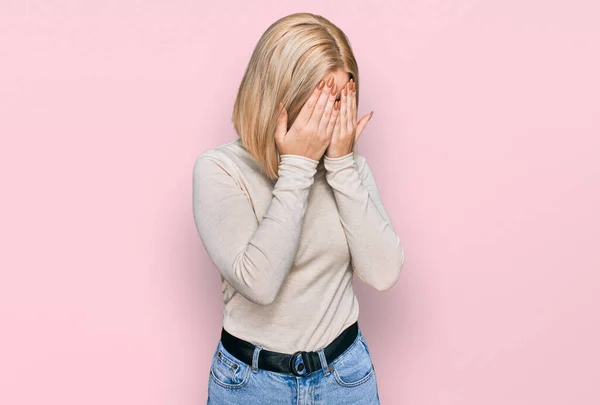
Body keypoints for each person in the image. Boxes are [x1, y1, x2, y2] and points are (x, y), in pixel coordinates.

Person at [192, 12, 405, 405]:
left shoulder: (349, 169)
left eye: (342, 101)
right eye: (322, 101)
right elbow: (259, 283)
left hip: (345, 378)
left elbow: (384, 273)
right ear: (280, 99)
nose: (333, 117)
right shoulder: (220, 169)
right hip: (251, 385)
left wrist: (341, 167)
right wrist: (298, 168)